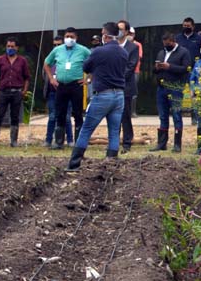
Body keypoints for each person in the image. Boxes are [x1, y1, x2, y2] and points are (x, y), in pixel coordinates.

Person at [66, 22, 128, 172]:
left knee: (86, 129)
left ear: (105, 36)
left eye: (102, 33)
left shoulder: (98, 51)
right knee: (114, 132)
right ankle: (111, 164)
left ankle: (74, 164)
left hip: (103, 95)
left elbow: (86, 68)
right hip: (119, 95)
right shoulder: (123, 52)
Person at [44, 27, 91, 149]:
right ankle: (59, 142)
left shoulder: (83, 50)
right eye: (67, 36)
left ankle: (79, 142)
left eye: (72, 37)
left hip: (76, 85)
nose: (69, 39)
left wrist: (89, 79)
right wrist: (51, 78)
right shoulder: (58, 50)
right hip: (61, 85)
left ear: (76, 38)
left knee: (77, 113)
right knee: (60, 113)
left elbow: (95, 62)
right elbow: (46, 63)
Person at [151, 32, 192, 153]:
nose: (166, 45)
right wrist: (157, 68)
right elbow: (154, 70)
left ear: (173, 41)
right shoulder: (161, 52)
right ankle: (162, 143)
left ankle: (177, 144)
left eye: (168, 43)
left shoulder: (183, 52)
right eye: (164, 43)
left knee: (176, 115)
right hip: (161, 88)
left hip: (175, 87)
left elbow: (186, 68)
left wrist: (170, 67)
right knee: (163, 116)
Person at [0, 36, 30, 147]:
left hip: (17, 92)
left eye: (12, 46)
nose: (10, 48)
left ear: (17, 48)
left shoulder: (22, 61)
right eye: (8, 46)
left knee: (15, 116)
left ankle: (13, 140)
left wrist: (24, 91)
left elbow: (27, 77)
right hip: (3, 91)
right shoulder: (0, 60)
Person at [44, 36, 73, 147]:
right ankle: (48, 140)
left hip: (66, 92)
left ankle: (70, 140)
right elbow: (45, 75)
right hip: (52, 93)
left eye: (59, 44)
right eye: (54, 45)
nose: (56, 47)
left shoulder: (69, 58)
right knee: (52, 116)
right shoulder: (49, 60)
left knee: (66, 117)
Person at [118, 20, 140, 154]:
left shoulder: (133, 47)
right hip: (112, 86)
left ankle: (127, 142)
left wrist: (116, 78)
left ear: (126, 32)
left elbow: (131, 67)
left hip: (125, 86)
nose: (119, 31)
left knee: (125, 115)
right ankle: (114, 141)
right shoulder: (112, 45)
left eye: (121, 29)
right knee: (113, 115)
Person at [128, 27, 143, 118]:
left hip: (135, 71)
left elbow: (139, 57)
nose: (130, 35)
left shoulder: (138, 45)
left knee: (133, 91)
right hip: (123, 71)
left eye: (131, 33)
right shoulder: (121, 44)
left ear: (134, 34)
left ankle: (133, 111)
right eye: (128, 33)